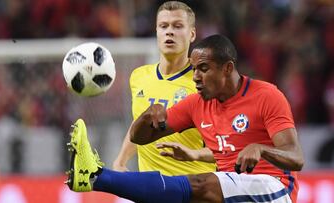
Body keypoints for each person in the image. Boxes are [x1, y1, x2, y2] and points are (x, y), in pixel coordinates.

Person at [65, 34, 304, 203]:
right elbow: (141, 138)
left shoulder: (267, 96)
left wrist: (260, 150)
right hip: (231, 190)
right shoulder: (197, 103)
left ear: (228, 69)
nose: (196, 77)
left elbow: (296, 158)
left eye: (203, 68)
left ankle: (96, 176)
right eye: (193, 69)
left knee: (198, 185)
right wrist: (147, 117)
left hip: (274, 189)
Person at [112, 1, 216, 175]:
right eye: (163, 26)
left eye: (177, 26)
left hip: (195, 190)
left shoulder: (207, 84)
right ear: (157, 32)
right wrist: (121, 159)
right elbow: (140, 122)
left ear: (192, 34)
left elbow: (229, 147)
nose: (169, 31)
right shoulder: (139, 76)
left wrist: (194, 154)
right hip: (152, 191)